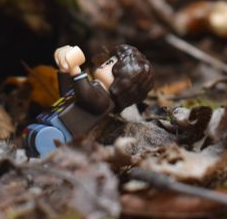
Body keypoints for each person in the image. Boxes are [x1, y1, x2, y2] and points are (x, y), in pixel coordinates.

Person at [23, 43, 154, 157]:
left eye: (109, 63)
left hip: (64, 129)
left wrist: (75, 70)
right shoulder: (93, 88)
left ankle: (42, 156)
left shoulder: (103, 100)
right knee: (32, 133)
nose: (103, 64)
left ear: (124, 81)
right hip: (54, 121)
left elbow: (85, 96)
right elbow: (67, 94)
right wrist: (64, 71)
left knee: (42, 138)